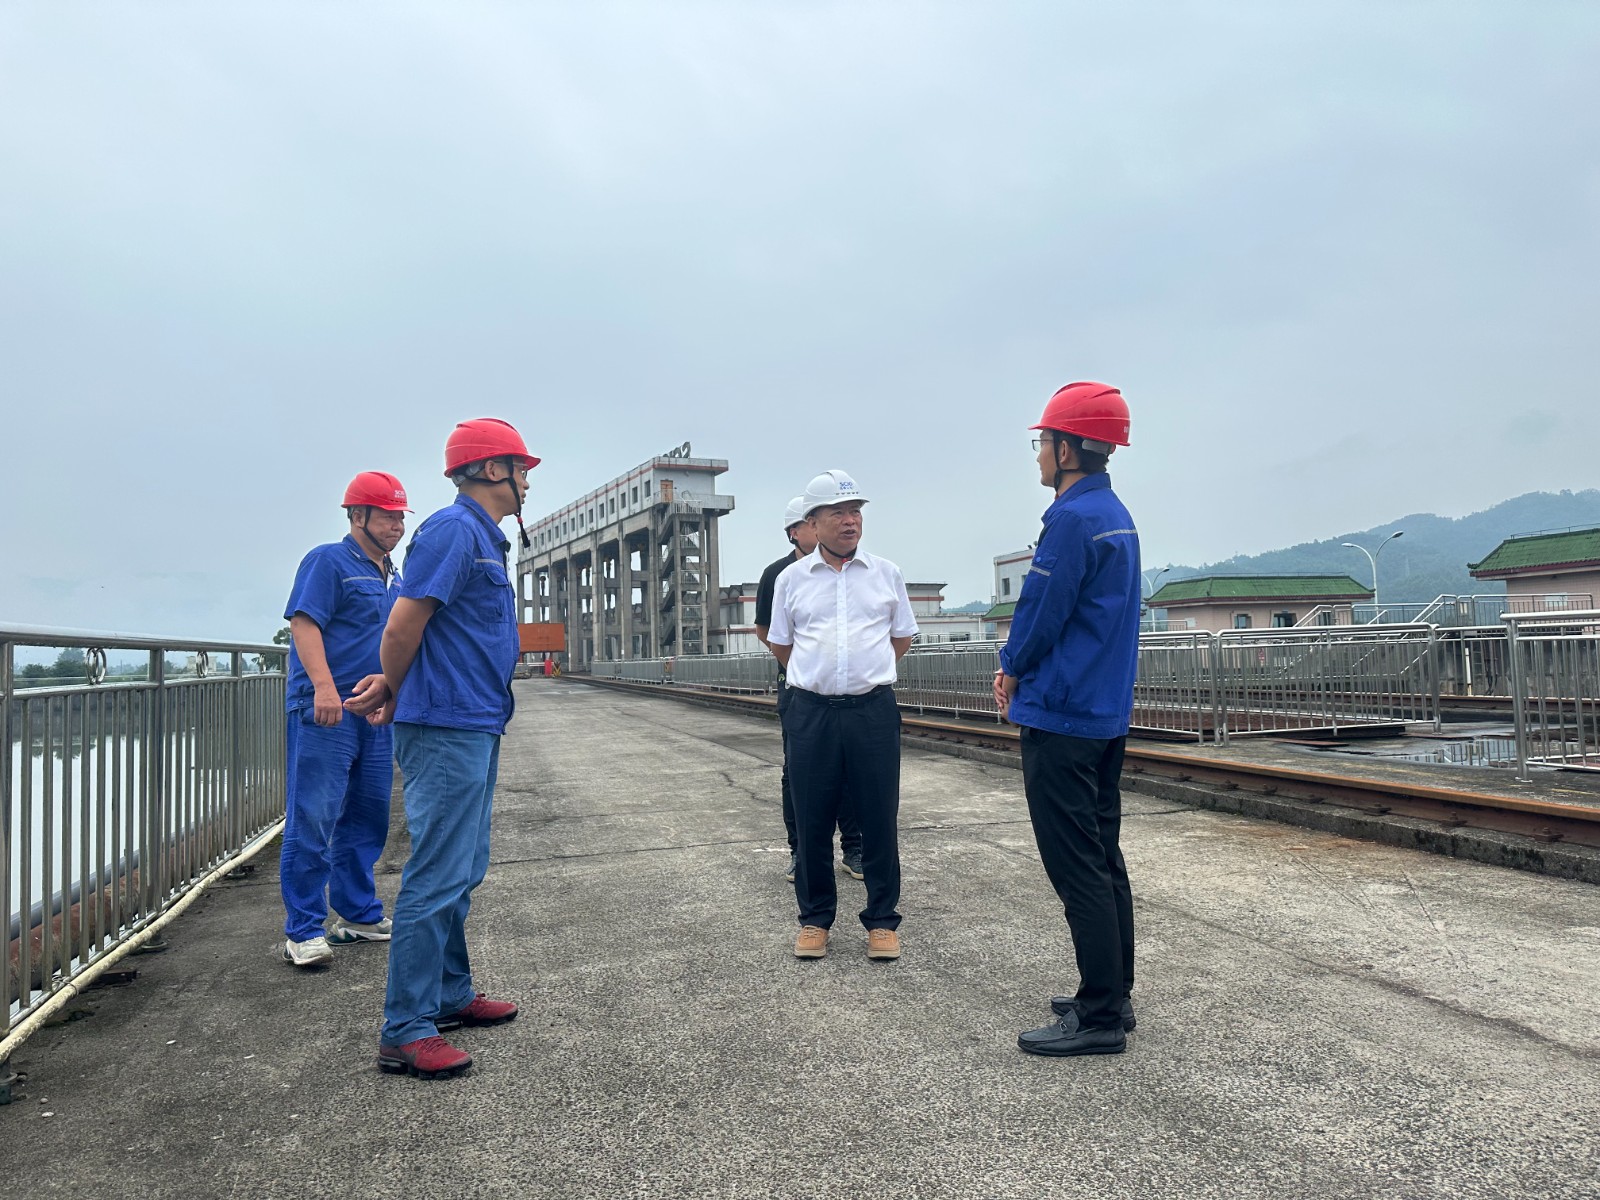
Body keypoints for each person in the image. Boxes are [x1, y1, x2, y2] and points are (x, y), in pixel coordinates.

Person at [345, 417, 539, 1081]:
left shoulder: (482, 536)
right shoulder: (454, 531)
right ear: (492, 469)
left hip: (475, 720)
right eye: (521, 468)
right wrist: (392, 685)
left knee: (463, 867)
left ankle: (451, 994)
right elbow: (403, 625)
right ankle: (405, 1028)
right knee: (436, 873)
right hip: (447, 723)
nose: (527, 480)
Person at [993, 381, 1141, 1058]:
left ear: (1069, 449)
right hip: (1103, 712)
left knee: (1075, 865)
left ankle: (1099, 1014)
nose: (1038, 455)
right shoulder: (1115, 514)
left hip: (1062, 712)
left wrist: (1010, 666)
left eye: (1043, 442)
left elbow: (1041, 611)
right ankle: (1114, 993)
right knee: (1103, 856)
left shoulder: (1072, 520)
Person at [767, 470, 918, 961]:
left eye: (855, 512)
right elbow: (781, 644)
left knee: (879, 817)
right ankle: (814, 920)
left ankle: (882, 921)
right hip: (810, 712)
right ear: (812, 522)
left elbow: (901, 637)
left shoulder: (886, 573)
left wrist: (863, 675)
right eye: (838, 513)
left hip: (872, 711)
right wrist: (820, 677)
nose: (850, 521)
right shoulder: (790, 580)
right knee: (812, 817)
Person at [278, 471, 409, 969]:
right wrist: (324, 688)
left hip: (372, 713)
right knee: (314, 815)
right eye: (387, 516)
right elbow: (304, 623)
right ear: (357, 516)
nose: (397, 526)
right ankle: (304, 930)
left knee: (367, 816)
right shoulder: (328, 561)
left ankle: (357, 914)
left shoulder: (392, 575)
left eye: (400, 517)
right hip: (326, 711)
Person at [754, 496, 864, 884]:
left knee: (849, 770)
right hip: (798, 689)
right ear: (795, 532)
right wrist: (801, 666)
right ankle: (800, 851)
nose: (818, 528)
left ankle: (854, 848)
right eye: (809, 522)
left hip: (848, 693)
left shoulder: (851, 569)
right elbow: (766, 630)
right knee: (798, 774)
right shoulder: (778, 574)